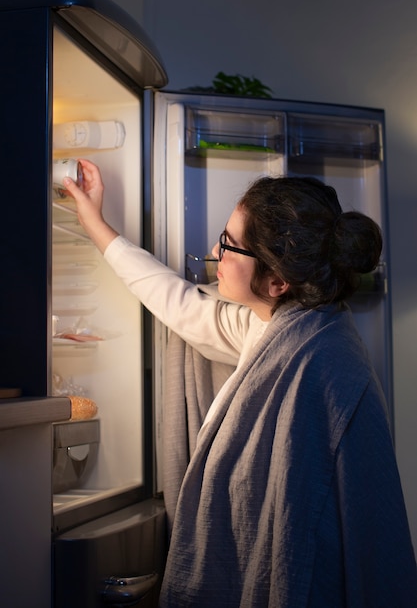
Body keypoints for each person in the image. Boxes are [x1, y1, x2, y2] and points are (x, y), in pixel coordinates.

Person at [63, 160, 417, 608]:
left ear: (277, 281)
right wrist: (93, 220)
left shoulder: (324, 363)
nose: (214, 250)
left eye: (229, 245)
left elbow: (307, 535)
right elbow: (178, 303)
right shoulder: (274, 325)